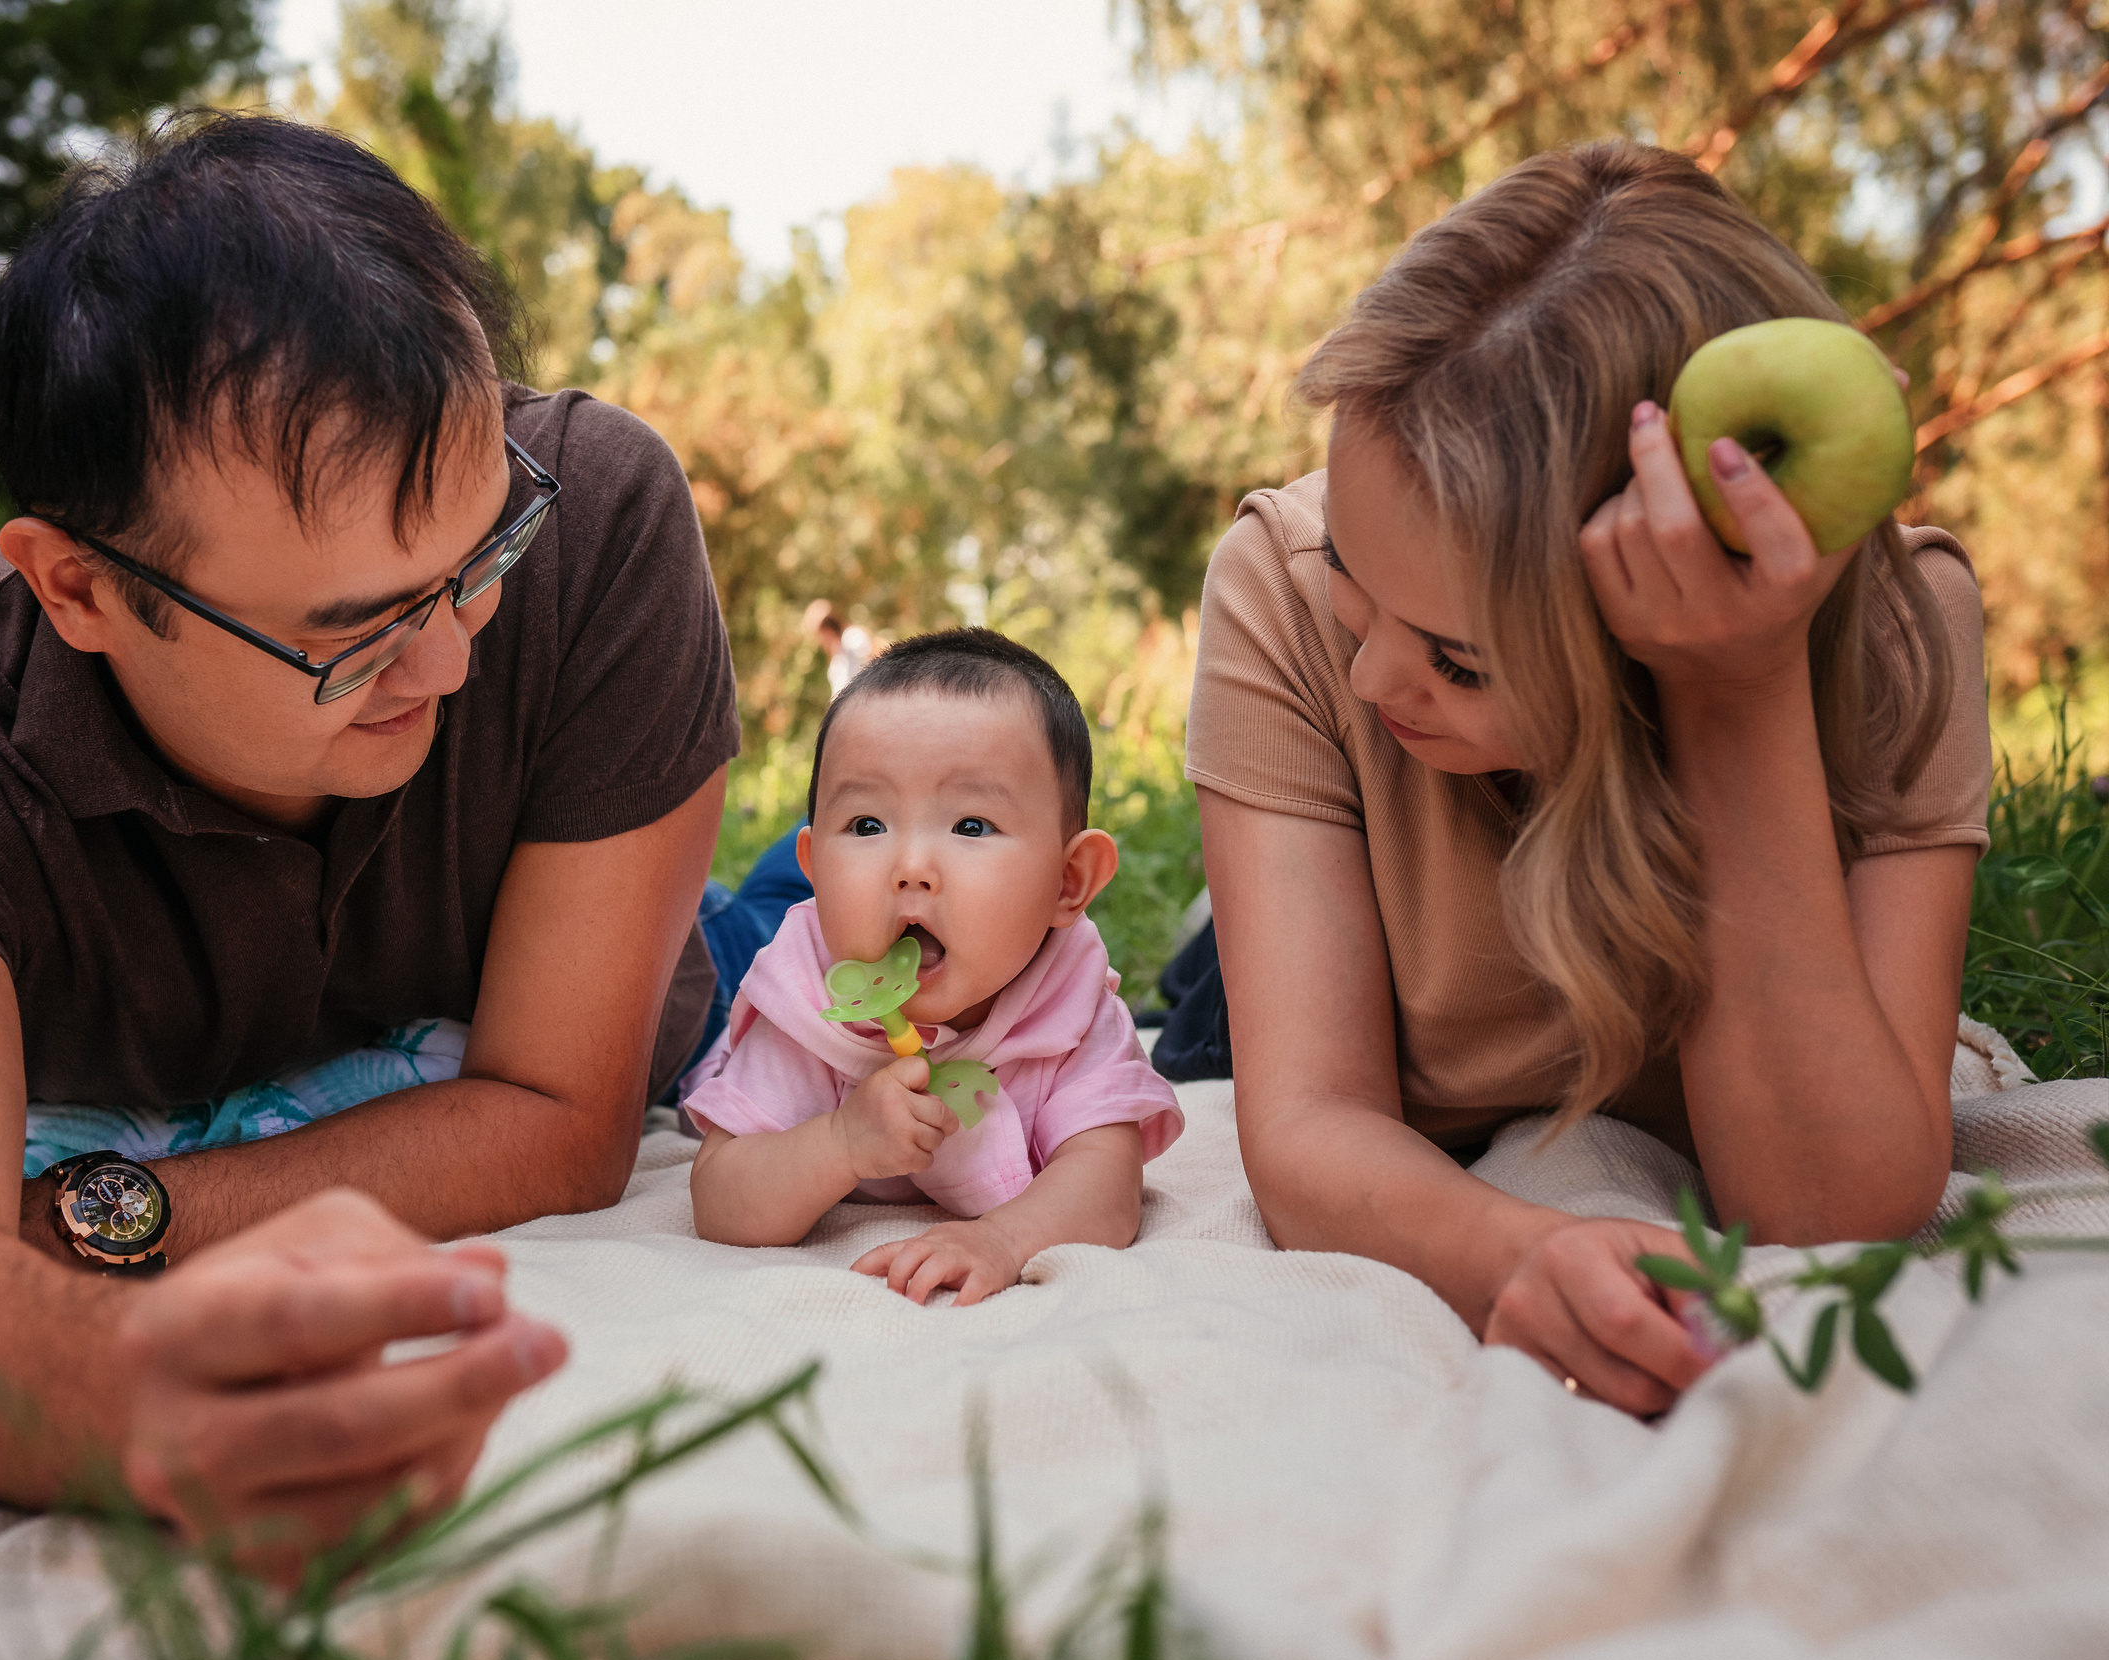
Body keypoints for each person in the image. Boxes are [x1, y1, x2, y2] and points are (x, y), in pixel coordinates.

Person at [0, 115, 739, 1560]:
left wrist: (69, 1219)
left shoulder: (598, 513)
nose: (450, 662)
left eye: (480, 558)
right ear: (79, 590)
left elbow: (561, 1113)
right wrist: (115, 1388)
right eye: (355, 633)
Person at [1187, 140, 1990, 1418]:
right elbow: (1308, 1125)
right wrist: (1514, 1254)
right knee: (1203, 1010)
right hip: (1374, 986)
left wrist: (1734, 694)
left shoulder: (1897, 635)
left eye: (1458, 658)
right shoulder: (1279, 593)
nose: (1371, 675)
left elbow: (1826, 1209)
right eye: (1351, 567)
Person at [683, 631, 1183, 1304]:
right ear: (818, 871)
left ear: (1068, 882)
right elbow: (719, 1199)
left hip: (847, 898)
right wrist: (840, 1142)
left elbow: (1108, 1184)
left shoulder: (1070, 1004)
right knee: (722, 925)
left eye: (971, 825)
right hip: (750, 968)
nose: (912, 866)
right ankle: (793, 865)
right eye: (868, 825)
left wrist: (1003, 1239)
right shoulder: (803, 1002)